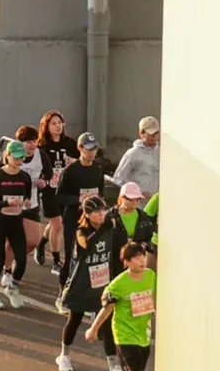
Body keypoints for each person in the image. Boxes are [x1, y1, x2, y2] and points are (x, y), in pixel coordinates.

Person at [56, 195, 117, 371]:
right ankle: (64, 356)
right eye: (97, 211)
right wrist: (101, 230)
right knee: (74, 320)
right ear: (87, 214)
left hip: (102, 285)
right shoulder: (81, 231)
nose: (101, 214)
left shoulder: (110, 229)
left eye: (103, 210)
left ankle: (113, 365)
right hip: (82, 285)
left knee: (106, 325)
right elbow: (86, 245)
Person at [88, 242, 156, 371]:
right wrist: (94, 328)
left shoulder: (151, 276)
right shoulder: (118, 284)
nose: (142, 260)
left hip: (143, 335)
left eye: (143, 256)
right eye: (137, 258)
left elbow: (156, 300)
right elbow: (107, 308)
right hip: (125, 335)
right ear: (127, 262)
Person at [0, 141, 37, 309]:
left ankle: (13, 288)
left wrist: (27, 203)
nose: (19, 161)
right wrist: (5, 203)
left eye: (22, 158)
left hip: (16, 222)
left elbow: (27, 196)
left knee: (21, 260)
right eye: (15, 158)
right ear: (7, 156)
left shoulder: (24, 177)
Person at [57, 132, 111, 261]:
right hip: (72, 216)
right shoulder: (70, 170)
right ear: (80, 148)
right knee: (69, 255)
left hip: (91, 219)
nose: (92, 152)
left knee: (89, 253)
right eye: (88, 149)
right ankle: (65, 280)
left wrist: (101, 204)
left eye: (94, 149)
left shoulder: (98, 169)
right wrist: (78, 200)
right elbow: (59, 197)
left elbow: (101, 192)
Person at [34, 109, 76, 271]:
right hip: (49, 190)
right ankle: (57, 261)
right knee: (57, 224)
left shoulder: (70, 143)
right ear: (46, 126)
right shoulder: (42, 146)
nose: (58, 126)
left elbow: (81, 158)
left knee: (56, 223)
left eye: (60, 123)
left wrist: (74, 160)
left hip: (65, 188)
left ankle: (41, 244)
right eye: (54, 123)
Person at [113, 116, 161, 195]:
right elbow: (118, 179)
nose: (154, 137)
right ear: (141, 133)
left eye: (156, 133)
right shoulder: (133, 153)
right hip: (138, 204)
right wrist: (138, 193)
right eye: (151, 134)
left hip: (158, 203)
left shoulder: (161, 152)